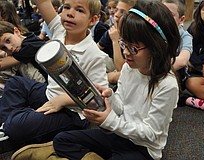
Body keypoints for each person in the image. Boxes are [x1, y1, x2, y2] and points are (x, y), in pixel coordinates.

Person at [53, 0, 180, 160]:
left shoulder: (167, 85)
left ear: (157, 47)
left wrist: (109, 121)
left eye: (133, 48)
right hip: (119, 134)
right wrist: (110, 97)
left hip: (143, 149)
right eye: (123, 44)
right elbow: (122, 107)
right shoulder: (129, 68)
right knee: (62, 140)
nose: (125, 52)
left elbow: (151, 135)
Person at [0, 0, 108, 153]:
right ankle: (10, 126)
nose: (70, 13)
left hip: (72, 112)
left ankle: (13, 126)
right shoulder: (60, 30)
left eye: (79, 10)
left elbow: (97, 98)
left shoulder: (94, 55)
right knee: (15, 83)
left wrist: (63, 100)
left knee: (16, 126)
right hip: (49, 93)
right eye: (67, 7)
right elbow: (43, 3)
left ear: (93, 20)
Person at [98, 0, 136, 88]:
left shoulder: (134, 37)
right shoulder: (111, 31)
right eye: (116, 10)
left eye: (122, 12)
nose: (116, 14)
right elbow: (96, 49)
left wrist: (116, 41)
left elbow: (122, 69)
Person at [161, 0, 193, 91]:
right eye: (162, 13)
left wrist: (156, 68)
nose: (164, 18)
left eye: (170, 15)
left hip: (175, 74)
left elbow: (182, 61)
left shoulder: (185, 36)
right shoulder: (154, 31)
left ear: (181, 20)